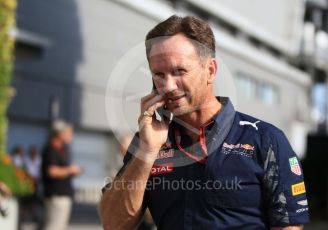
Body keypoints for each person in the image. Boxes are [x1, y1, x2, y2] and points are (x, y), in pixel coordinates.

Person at [99, 15, 310, 229]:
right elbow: (113, 224)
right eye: (159, 74)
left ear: (210, 70)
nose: (168, 85)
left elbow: (288, 227)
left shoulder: (265, 140)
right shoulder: (148, 141)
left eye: (179, 71)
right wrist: (146, 151)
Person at [41, 120, 81, 230]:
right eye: (69, 133)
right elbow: (52, 171)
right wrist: (70, 170)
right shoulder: (51, 149)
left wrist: (72, 171)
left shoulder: (63, 149)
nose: (70, 136)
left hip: (63, 194)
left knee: (59, 226)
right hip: (56, 196)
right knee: (54, 226)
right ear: (60, 134)